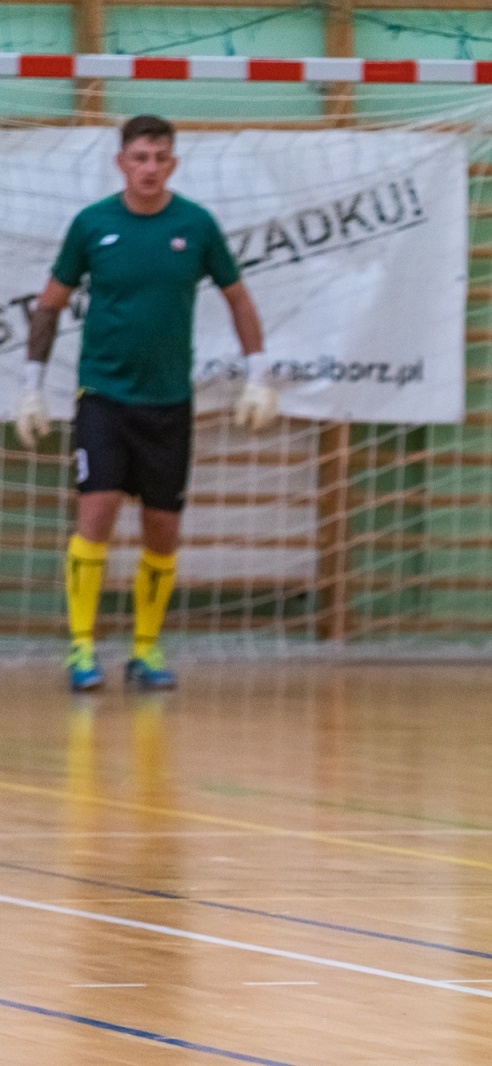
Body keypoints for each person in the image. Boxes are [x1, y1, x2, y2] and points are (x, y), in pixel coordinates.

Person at [13, 114, 279, 692]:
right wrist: (30, 384)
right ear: (122, 163)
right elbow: (50, 303)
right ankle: (81, 650)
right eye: (140, 158)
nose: (150, 168)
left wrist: (259, 373)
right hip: (103, 398)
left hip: (168, 404)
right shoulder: (92, 225)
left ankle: (146, 651)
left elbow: (238, 298)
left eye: (160, 158)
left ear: (173, 164)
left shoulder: (196, 226)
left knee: (162, 529)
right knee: (98, 512)